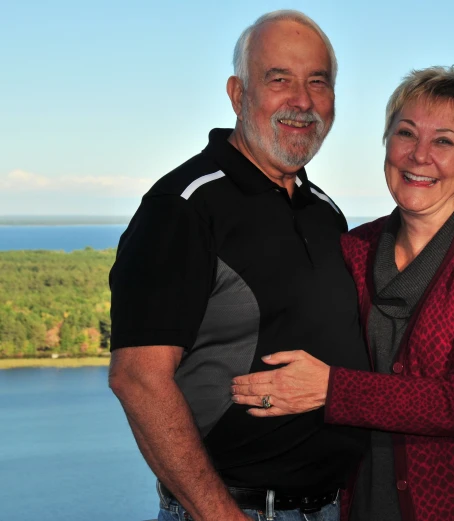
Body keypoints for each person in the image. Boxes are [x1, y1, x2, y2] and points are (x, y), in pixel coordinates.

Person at [231, 66, 454, 520]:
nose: (419, 155)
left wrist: (333, 390)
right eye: (406, 133)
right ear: (387, 143)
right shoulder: (356, 248)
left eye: (445, 141)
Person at [108, 10, 370, 521]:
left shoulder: (325, 212)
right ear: (237, 93)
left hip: (332, 508)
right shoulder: (182, 207)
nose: (302, 100)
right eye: (279, 79)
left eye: (318, 81)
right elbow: (138, 379)